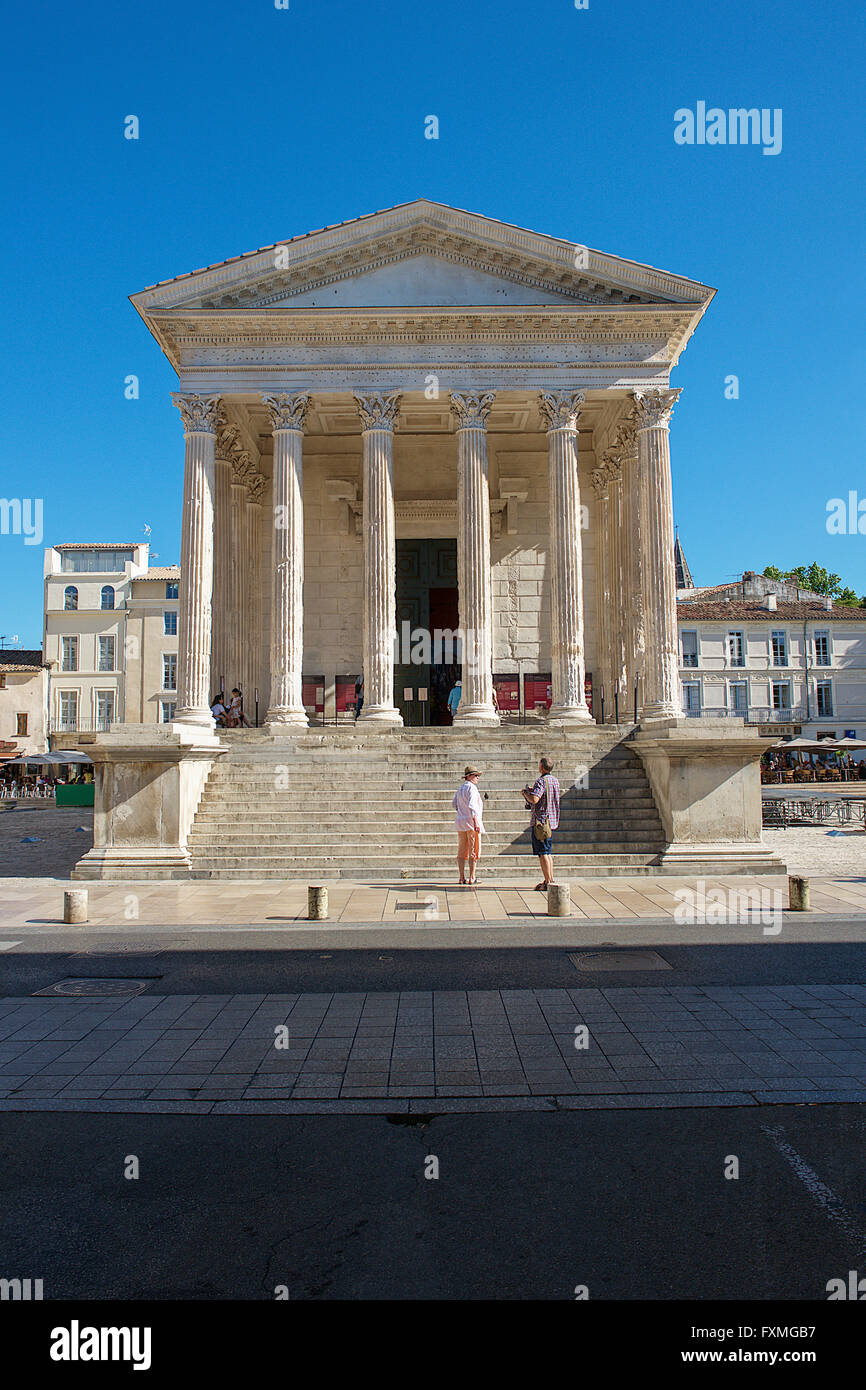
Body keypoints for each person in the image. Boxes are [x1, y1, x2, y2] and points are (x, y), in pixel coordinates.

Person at [523, 755, 560, 892]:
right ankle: (550, 879)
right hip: (551, 820)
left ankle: (548, 881)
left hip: (541, 822)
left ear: (542, 767)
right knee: (548, 852)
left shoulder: (541, 781)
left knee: (543, 852)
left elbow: (535, 799)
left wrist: (526, 793)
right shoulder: (554, 781)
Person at [452, 764, 485, 886]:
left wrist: (462, 812)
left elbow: (454, 804)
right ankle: (472, 876)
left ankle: (461, 877)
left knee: (462, 849)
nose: (478, 778)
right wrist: (475, 821)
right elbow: (472, 806)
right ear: (470, 776)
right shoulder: (472, 788)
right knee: (473, 849)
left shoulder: (461, 788)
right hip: (471, 822)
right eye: (476, 775)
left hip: (461, 822)